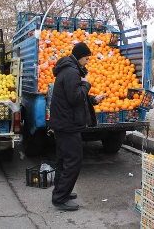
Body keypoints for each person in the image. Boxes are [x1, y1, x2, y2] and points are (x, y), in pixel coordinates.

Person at [49, 42, 105, 211]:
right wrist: (86, 84)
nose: (87, 62)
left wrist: (93, 100)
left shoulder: (68, 70)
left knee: (63, 160)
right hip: (68, 124)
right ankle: (60, 198)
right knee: (73, 160)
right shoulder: (72, 72)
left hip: (63, 122)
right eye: (87, 58)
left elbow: (72, 97)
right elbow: (74, 98)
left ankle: (61, 191)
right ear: (80, 57)